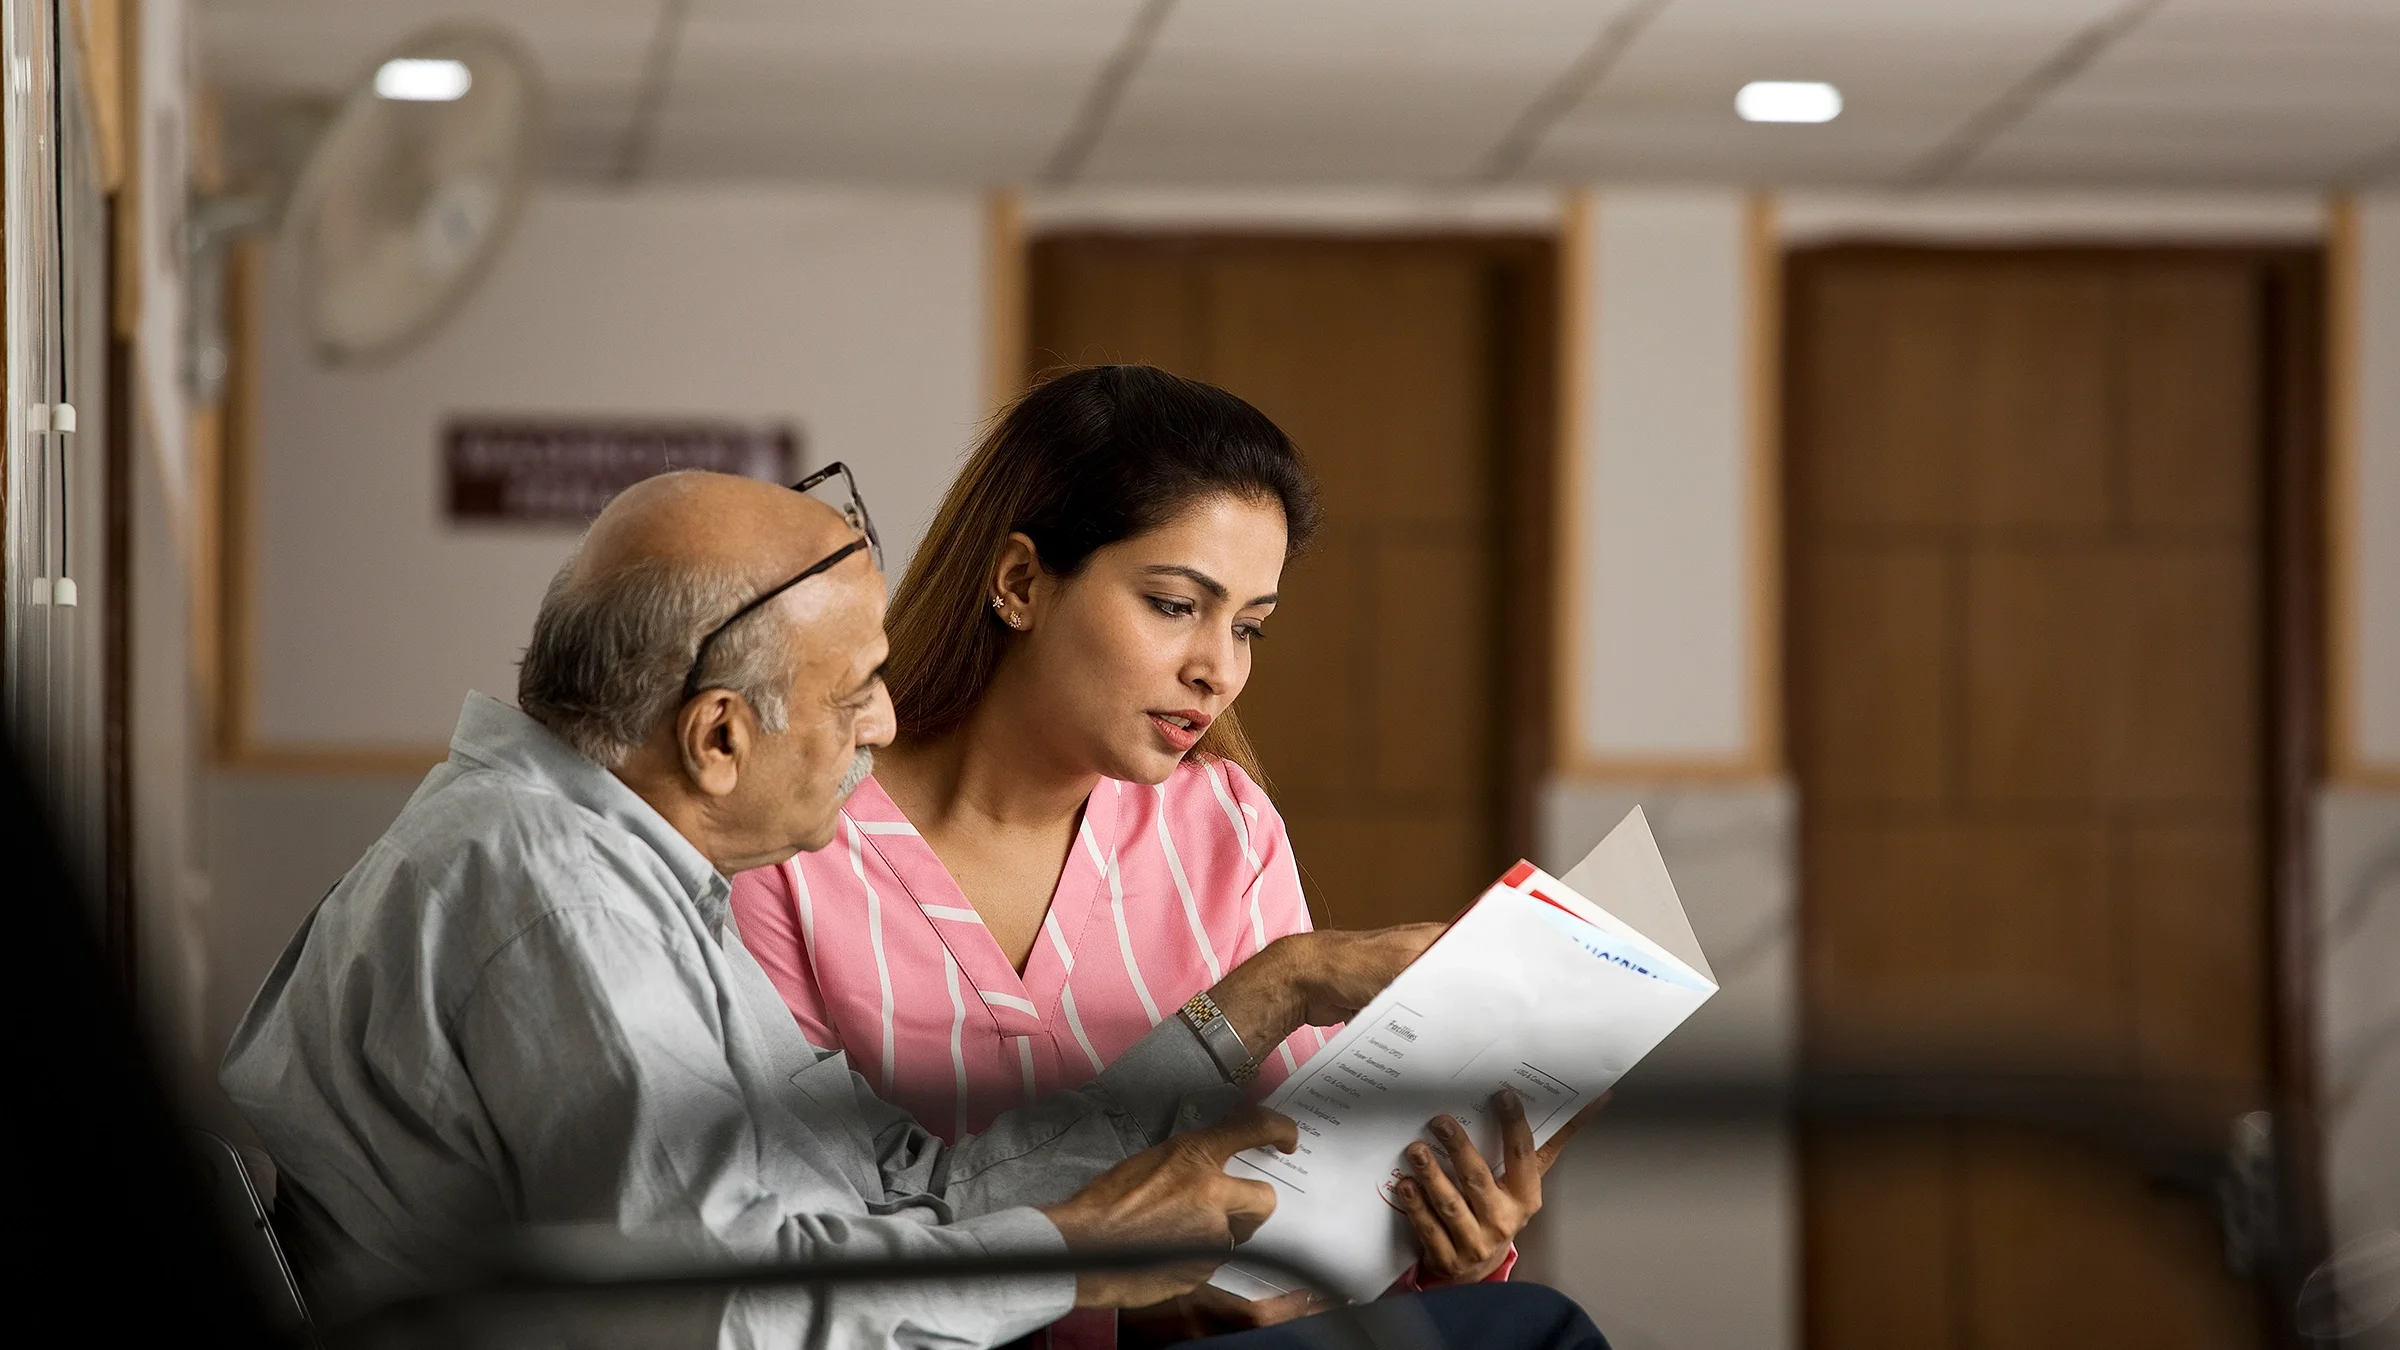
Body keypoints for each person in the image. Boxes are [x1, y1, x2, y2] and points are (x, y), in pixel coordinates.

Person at [217, 469, 1448, 1349]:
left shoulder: (607, 860)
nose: (887, 725)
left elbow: (897, 1182)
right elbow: (730, 1317)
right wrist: (1077, 1249)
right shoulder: (555, 901)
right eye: (859, 692)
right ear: (717, 737)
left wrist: (1262, 1000)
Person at [729, 367, 1591, 1348]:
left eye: (1250, 626)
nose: (1218, 669)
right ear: (1019, 583)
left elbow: (1301, 1199)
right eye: (1177, 604)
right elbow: (791, 1251)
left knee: (1520, 1318)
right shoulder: (789, 849)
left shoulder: (1225, 828)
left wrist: (1451, 1253)